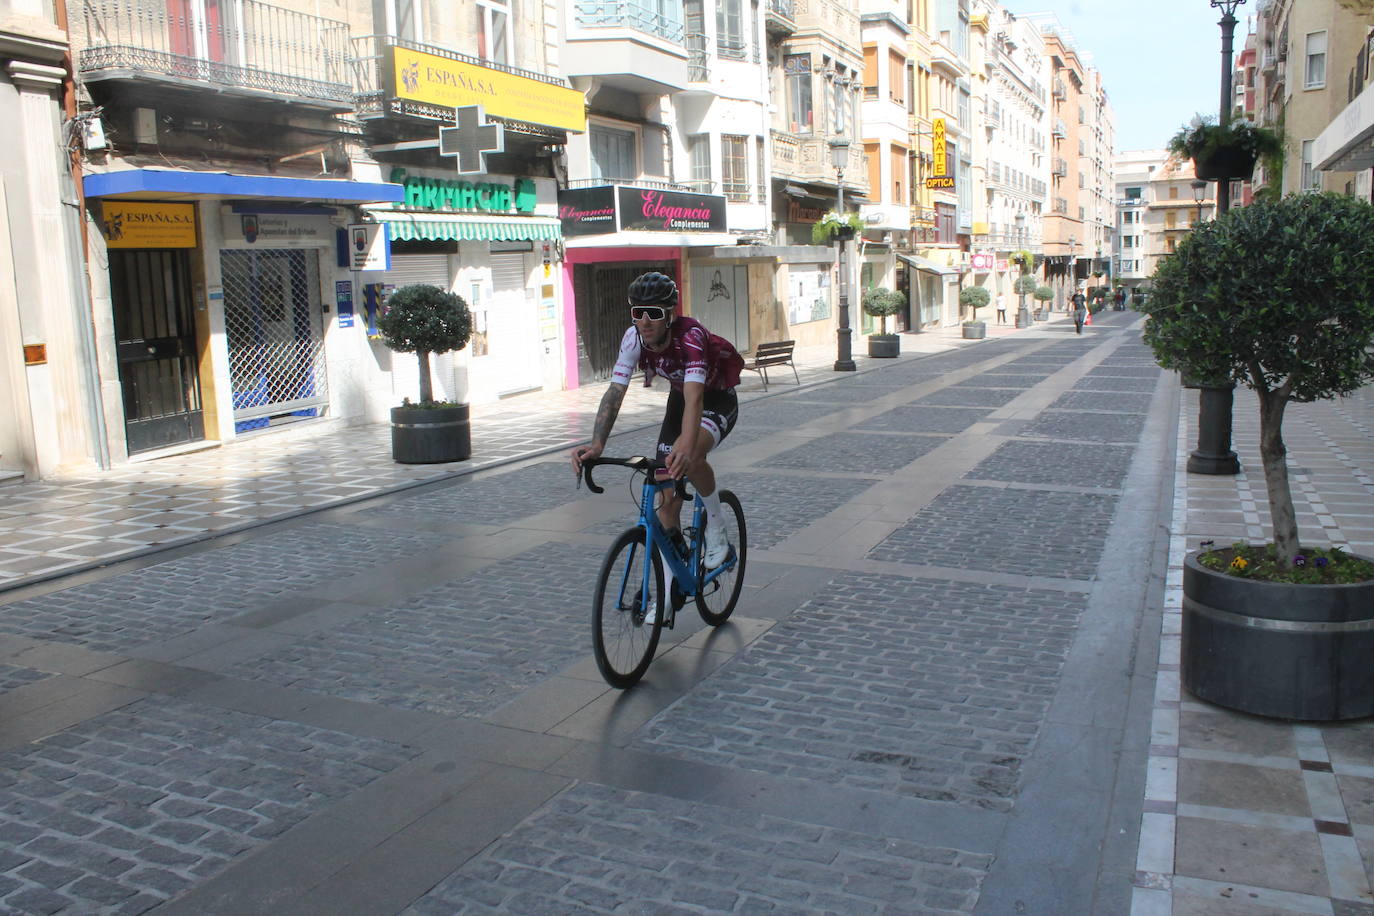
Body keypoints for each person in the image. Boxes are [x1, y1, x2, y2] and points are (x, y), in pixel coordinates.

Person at [571, 271, 743, 568]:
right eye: (638, 313)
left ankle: (717, 529)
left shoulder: (691, 336)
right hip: (679, 401)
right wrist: (597, 445)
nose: (645, 321)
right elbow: (615, 392)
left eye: (654, 313)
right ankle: (670, 589)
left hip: (715, 398)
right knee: (667, 503)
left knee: (691, 454)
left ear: (669, 315)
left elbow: (695, 399)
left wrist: (686, 449)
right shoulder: (633, 338)